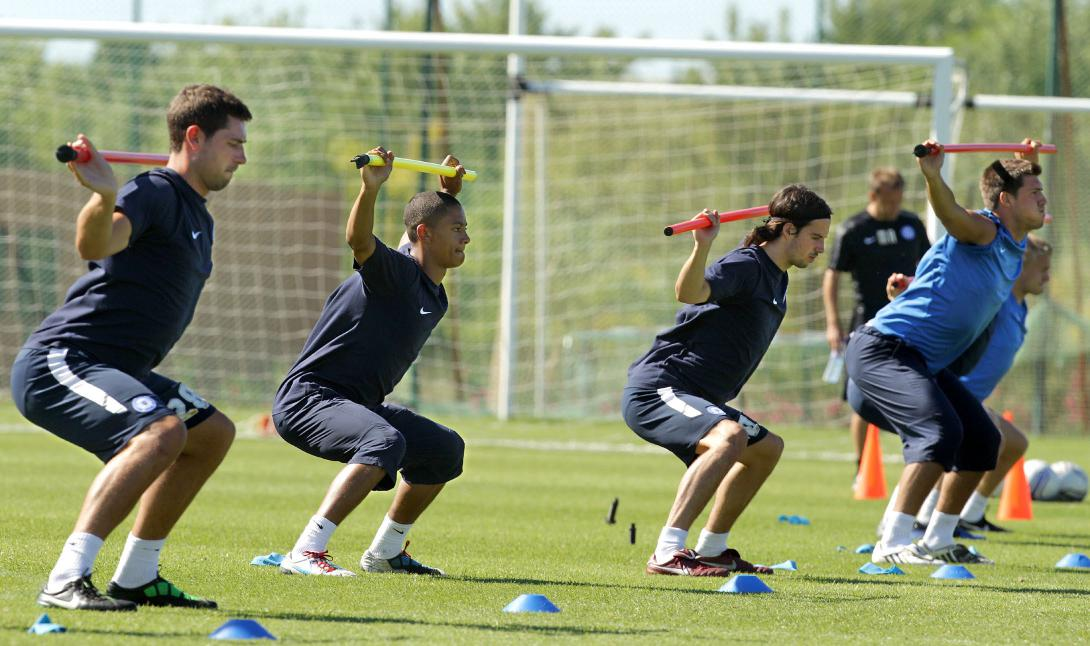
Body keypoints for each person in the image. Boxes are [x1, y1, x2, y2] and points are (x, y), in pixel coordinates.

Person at [10, 85, 251, 610]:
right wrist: (101, 196)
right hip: (64, 362)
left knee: (210, 435)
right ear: (194, 137)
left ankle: (138, 576)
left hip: (121, 367)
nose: (242, 156)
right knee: (160, 433)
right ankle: (65, 579)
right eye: (233, 143)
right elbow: (95, 245)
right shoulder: (155, 191)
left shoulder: (198, 215)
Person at [846, 138, 1046, 565]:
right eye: (1035, 193)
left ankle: (937, 539)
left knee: (983, 441)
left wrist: (1028, 164)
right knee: (939, 434)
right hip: (884, 348)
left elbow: (1006, 188)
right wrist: (933, 176)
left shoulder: (1013, 248)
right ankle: (892, 542)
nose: (1044, 200)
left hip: (920, 360)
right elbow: (952, 215)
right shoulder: (985, 227)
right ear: (1007, 201)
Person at [273, 147, 468, 577]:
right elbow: (359, 241)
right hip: (309, 400)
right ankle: (306, 551)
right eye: (457, 229)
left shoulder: (429, 287)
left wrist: (444, 195)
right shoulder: (394, 273)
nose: (466, 239)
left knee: (444, 450)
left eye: (465, 229)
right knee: (384, 441)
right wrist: (370, 189)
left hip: (357, 403)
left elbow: (414, 234)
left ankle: (386, 554)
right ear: (426, 234)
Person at [622, 186, 832, 576]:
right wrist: (702, 245)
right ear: (788, 230)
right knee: (731, 438)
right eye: (815, 237)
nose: (820, 247)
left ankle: (712, 549)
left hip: (699, 396)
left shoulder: (777, 277)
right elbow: (688, 292)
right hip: (661, 388)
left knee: (766, 449)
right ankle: (667, 552)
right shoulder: (747, 265)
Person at [883, 235, 1052, 534]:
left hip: (972, 397)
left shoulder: (1020, 306)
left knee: (1013, 442)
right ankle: (917, 520)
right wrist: (906, 289)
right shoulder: (995, 300)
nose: (1048, 276)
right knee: (951, 449)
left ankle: (970, 514)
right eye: (1043, 269)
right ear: (1019, 266)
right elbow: (949, 297)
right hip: (953, 391)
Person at [822, 168, 930, 473]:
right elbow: (832, 277)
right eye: (888, 203)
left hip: (909, 321)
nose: (894, 208)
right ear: (873, 196)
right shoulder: (853, 229)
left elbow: (929, 264)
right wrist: (833, 323)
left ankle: (920, 459)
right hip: (866, 322)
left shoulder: (911, 224)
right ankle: (863, 469)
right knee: (861, 393)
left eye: (898, 202)